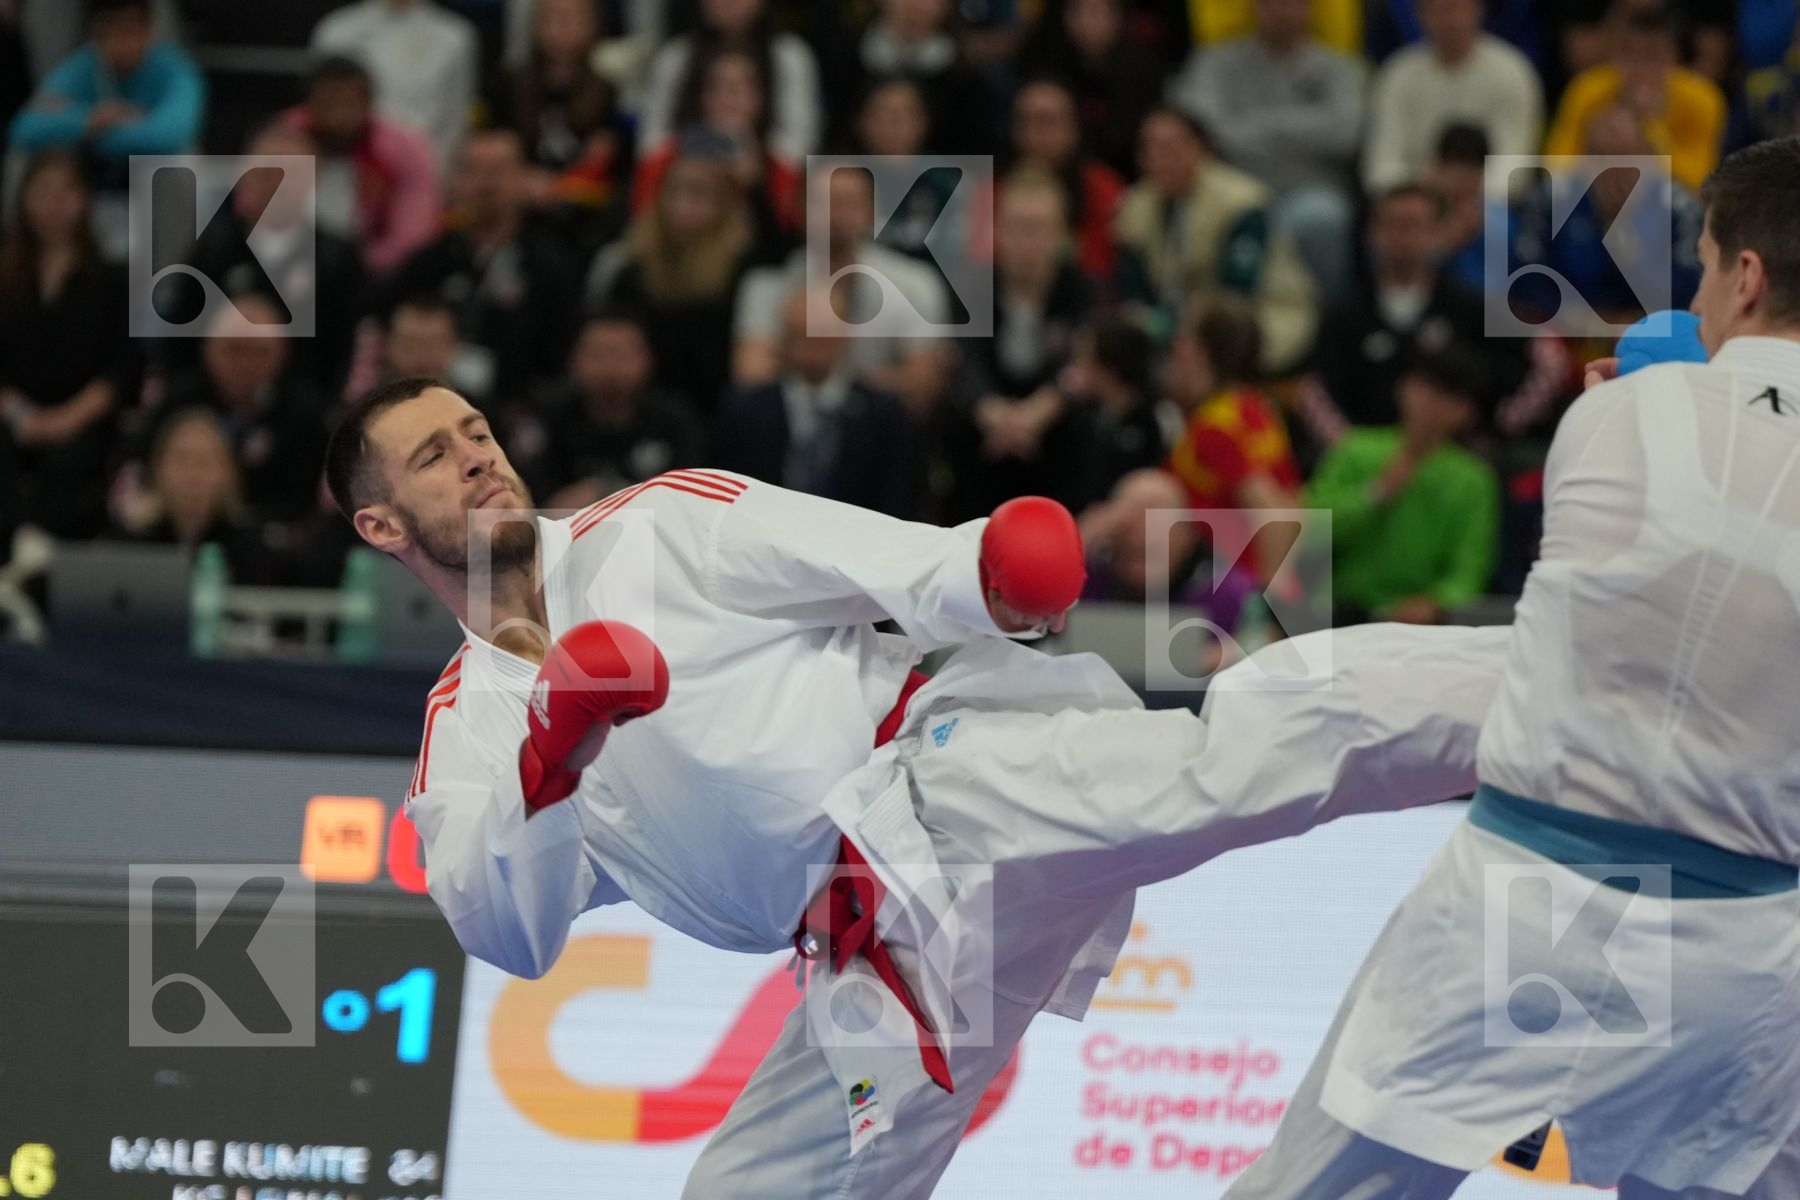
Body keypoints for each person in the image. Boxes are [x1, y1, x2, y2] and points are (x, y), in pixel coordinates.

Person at [324, 374, 1510, 1200]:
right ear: (380, 522)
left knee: (1231, 760)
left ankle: (1537, 687)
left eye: (476, 428)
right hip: (861, 948)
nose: (477, 453)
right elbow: (504, 926)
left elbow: (847, 552)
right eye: (436, 453)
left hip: (949, 784)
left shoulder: (654, 528)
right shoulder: (464, 726)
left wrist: (982, 574)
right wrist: (552, 751)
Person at [1226, 134, 1800, 1200]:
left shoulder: (1614, 414)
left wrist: (1643, 390)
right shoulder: (1635, 402)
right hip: (1749, 949)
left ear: (1749, 277)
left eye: (1709, 266)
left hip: (1524, 904)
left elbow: (1639, 591)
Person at [1168, 0, 1367, 304]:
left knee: (1324, 217)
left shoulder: (1340, 67)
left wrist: (1249, 126)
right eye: (1270, 3)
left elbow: (1344, 135)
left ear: (1309, 8)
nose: (1282, 11)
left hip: (1309, 191)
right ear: (1254, 7)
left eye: (1292, 4)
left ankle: (1325, 326)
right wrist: (1302, 129)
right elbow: (1202, 130)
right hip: (1229, 193)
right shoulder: (1214, 63)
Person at [1305, 344, 1500, 626]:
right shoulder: (1355, 450)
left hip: (1424, 624)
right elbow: (1309, 531)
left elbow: (1470, 570)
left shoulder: (1473, 480)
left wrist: (1437, 601)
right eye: (1424, 389)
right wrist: (1376, 493)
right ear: (1404, 388)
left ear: (1465, 411)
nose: (1430, 404)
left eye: (1446, 397)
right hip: (1340, 612)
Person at [381, 129, 584, 400]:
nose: (486, 185)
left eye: (499, 171)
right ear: (453, 182)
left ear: (524, 178)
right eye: (473, 171)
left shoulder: (553, 268)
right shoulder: (425, 265)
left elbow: (563, 360)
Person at [1115, 107, 1318, 374]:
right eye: (1147, 149)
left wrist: (1181, 331)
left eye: (1167, 148)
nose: (1156, 160)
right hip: (1177, 325)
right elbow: (1137, 287)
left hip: (1259, 317)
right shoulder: (1136, 205)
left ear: (1200, 148)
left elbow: (1236, 291)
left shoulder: (1242, 202)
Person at [0, 149, 134, 541]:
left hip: (83, 418)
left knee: (70, 464)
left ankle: (44, 560)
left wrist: (65, 421)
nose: (52, 206)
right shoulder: (5, 277)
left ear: (83, 201)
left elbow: (121, 370)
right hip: (13, 415)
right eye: (42, 192)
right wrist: (21, 413)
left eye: (65, 193)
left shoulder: (112, 280)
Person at [591, 128, 764, 414]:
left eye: (698, 195)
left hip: (714, 406)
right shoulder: (632, 266)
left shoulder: (742, 268)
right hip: (641, 407)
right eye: (674, 193)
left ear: (724, 205)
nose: (683, 207)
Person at [718, 289, 922, 518]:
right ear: (783, 339)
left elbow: (897, 501)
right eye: (801, 337)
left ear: (845, 337)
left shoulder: (884, 415)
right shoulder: (747, 410)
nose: (812, 350)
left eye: (823, 339)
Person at [507, 307, 710, 511]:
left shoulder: (677, 420)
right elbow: (522, 498)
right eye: (598, 355)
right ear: (574, 360)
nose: (610, 367)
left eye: (621, 355)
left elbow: (693, 502)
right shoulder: (545, 416)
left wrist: (613, 495)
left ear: (647, 360)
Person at [7, 0, 204, 190]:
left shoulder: (174, 69)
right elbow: (26, 127)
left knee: (181, 158)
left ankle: (176, 226)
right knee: (24, 157)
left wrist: (113, 128)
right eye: (109, 31)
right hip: (92, 186)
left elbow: (173, 133)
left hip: (149, 184)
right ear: (95, 33)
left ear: (148, 30)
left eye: (129, 30)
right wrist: (89, 121)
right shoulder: (81, 67)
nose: (120, 42)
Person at [283, 55, 442, 278]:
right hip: (291, 264)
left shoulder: (406, 149)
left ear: (370, 104)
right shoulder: (283, 139)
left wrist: (356, 268)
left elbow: (415, 232)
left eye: (349, 104)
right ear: (308, 106)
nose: (338, 118)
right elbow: (251, 207)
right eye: (328, 105)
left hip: (374, 271)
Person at [1362, 0, 1543, 193]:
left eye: (1455, 8)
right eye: (1437, 10)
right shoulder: (1398, 73)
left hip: (1489, 205)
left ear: (1478, 9)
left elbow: (1515, 164)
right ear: (1419, 15)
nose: (1448, 20)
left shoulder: (1512, 72)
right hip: (1415, 202)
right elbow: (1380, 165)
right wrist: (1423, 188)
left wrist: (1470, 192)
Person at [1544, 5, 1727, 193]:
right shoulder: (1587, 89)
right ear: (1613, 55)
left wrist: (1647, 126)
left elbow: (1698, 181)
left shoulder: (1702, 99)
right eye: (1631, 55)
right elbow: (1556, 169)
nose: (1641, 69)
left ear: (1674, 58)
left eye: (1653, 55)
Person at [483, 0, 620, 237]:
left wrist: (561, 187)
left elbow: (603, 159)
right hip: (519, 202)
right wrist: (522, 179)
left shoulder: (606, 91)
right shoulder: (507, 84)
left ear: (594, 26)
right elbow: (492, 148)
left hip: (581, 207)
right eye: (553, 18)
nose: (563, 28)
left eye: (573, 18)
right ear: (535, 25)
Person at [635, 0, 822, 164]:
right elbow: (650, 147)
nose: (730, 2)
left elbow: (799, 148)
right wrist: (710, 148)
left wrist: (747, 154)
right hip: (687, 174)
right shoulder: (675, 57)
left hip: (765, 181)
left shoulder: (790, 56)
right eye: (715, 86)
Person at [310, 0, 479, 171]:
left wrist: (434, 173)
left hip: (424, 168)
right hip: (343, 167)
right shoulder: (336, 29)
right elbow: (319, 108)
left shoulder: (454, 36)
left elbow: (455, 119)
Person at [1017, 0, 1162, 177]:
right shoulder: (1044, 62)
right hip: (1044, 175)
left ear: (1119, 15)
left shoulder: (1143, 68)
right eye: (1077, 10)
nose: (1087, 22)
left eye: (1097, 12)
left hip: (1125, 172)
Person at [1004, 77, 1127, 281]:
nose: (1033, 134)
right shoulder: (992, 191)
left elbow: (1106, 263)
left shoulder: (1103, 187)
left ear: (1073, 127)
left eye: (1046, 122)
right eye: (1024, 121)